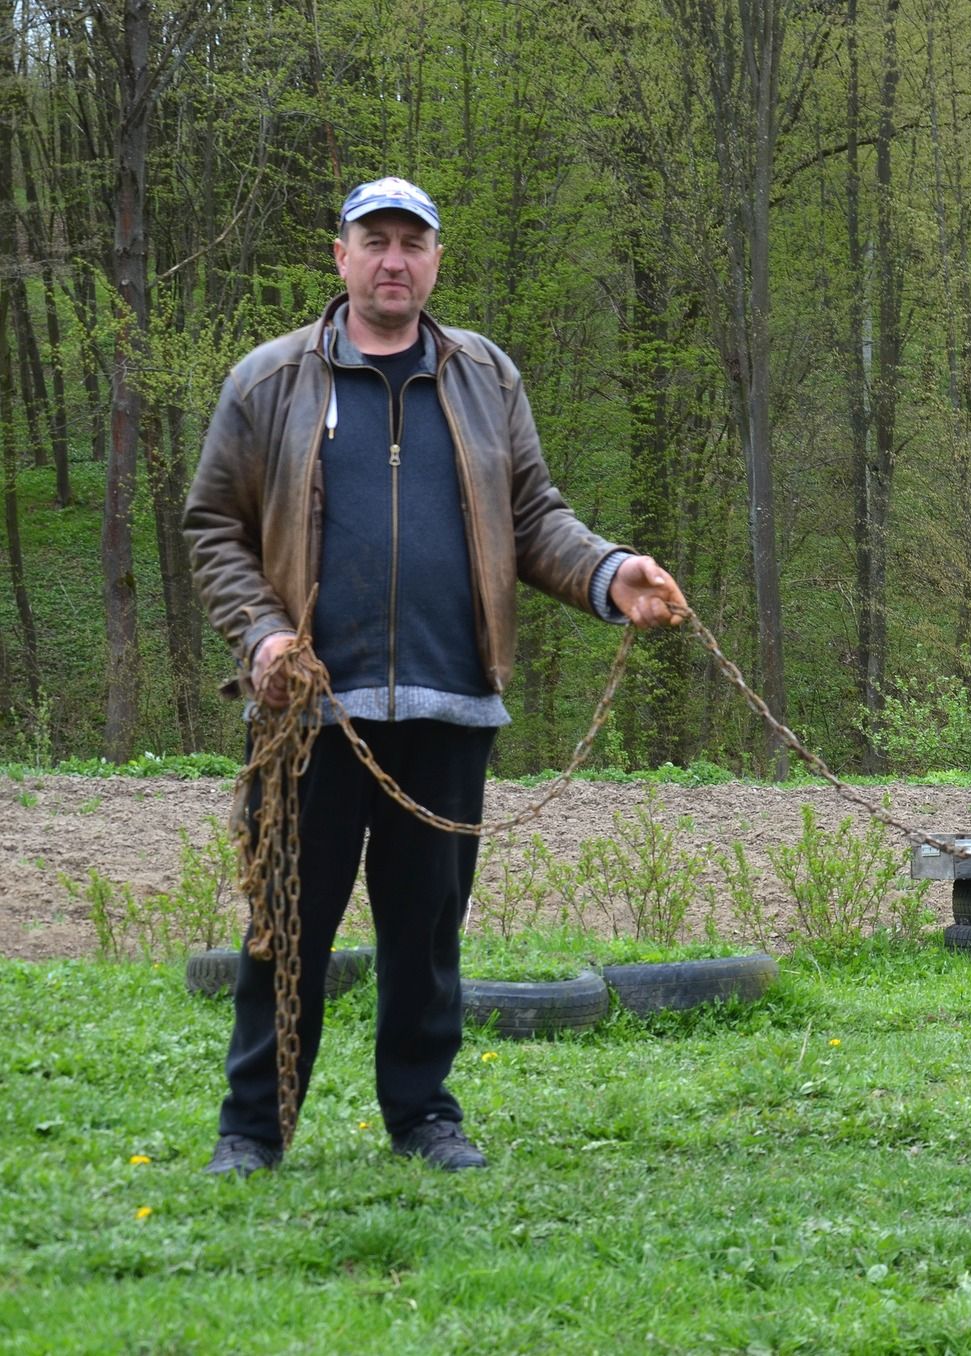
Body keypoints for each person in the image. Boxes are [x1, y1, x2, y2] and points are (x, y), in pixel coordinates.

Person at [183, 176, 683, 1174]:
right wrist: (265, 638)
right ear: (342, 256)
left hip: (452, 703)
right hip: (311, 713)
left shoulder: (484, 377)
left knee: (425, 936)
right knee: (286, 929)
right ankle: (254, 1130)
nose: (394, 259)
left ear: (435, 259)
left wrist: (608, 572)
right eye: (375, 240)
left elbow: (533, 515)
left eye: (413, 242)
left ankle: (422, 1119)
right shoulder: (269, 382)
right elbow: (214, 530)